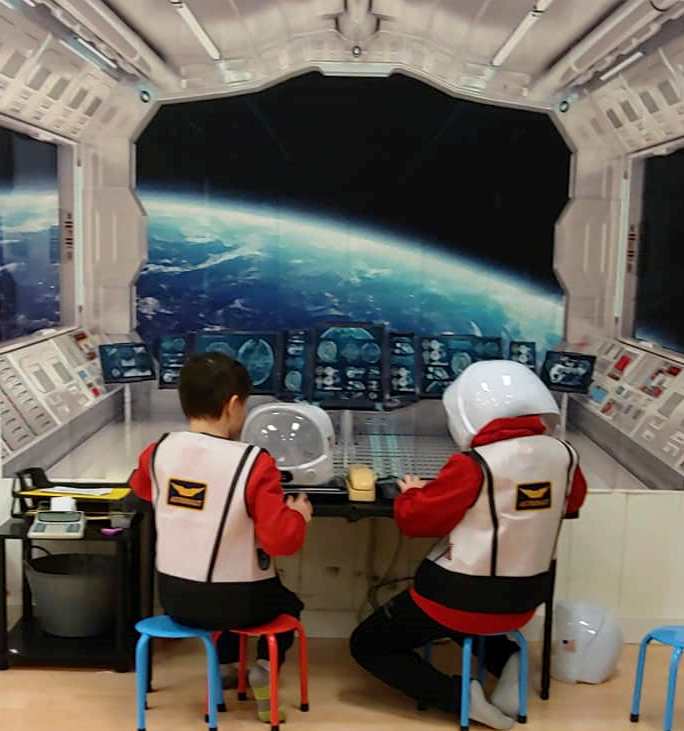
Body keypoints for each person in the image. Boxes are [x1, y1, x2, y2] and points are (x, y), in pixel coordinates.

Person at [350, 360, 588, 729]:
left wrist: (412, 493)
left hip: (459, 595)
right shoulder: (565, 456)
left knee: (368, 644)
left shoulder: (474, 464)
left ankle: (459, 698)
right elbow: (571, 504)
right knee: (468, 619)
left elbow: (415, 521)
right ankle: (510, 663)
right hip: (527, 597)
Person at [129, 352, 312, 724]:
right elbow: (281, 542)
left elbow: (142, 488)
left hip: (176, 598)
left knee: (220, 597)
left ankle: (226, 667)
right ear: (233, 405)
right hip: (241, 602)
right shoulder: (255, 462)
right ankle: (263, 669)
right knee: (288, 603)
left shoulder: (157, 451)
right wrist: (299, 515)